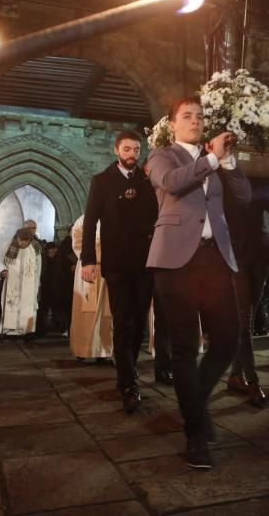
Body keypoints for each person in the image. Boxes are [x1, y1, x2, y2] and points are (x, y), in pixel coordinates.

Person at [146, 97, 252, 469]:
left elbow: (244, 196)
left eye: (200, 116)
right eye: (186, 116)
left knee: (228, 339)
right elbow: (171, 184)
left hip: (214, 256)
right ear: (173, 125)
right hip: (176, 260)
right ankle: (195, 432)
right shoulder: (163, 155)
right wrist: (209, 160)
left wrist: (230, 162)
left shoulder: (216, 161)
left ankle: (194, 403)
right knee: (185, 348)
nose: (195, 121)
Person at [81, 130, 168, 413]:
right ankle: (128, 383)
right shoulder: (102, 181)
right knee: (122, 321)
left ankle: (127, 371)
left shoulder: (147, 181)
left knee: (139, 321)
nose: (132, 154)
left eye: (136, 149)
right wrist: (88, 260)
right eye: (127, 149)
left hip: (145, 261)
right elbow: (91, 220)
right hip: (117, 263)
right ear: (117, 150)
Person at [226, 182, 269, 407]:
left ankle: (235, 375)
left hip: (260, 255)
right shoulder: (224, 178)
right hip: (236, 256)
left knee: (244, 320)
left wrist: (252, 192)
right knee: (244, 321)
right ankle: (253, 381)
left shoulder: (261, 181)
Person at [70, 215, 114, 361]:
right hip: (89, 267)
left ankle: (104, 350)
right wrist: (92, 255)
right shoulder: (83, 220)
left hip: (108, 269)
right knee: (87, 312)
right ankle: (83, 349)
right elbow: (77, 243)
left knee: (106, 312)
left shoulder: (114, 216)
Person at [0, 221, 43, 337]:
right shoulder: (9, 246)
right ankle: (9, 330)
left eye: (26, 241)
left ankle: (27, 330)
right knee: (11, 303)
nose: (23, 243)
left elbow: (39, 266)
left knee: (29, 305)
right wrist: (2, 270)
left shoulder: (35, 248)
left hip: (29, 282)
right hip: (12, 282)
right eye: (21, 241)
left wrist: (37, 282)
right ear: (17, 238)